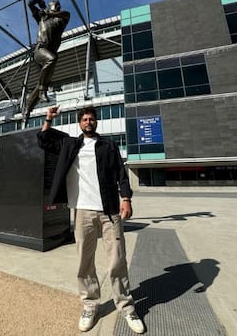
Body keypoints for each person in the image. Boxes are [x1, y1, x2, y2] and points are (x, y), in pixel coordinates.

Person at [37, 106, 145, 334]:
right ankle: (90, 305)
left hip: (109, 211)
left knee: (117, 260)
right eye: (85, 119)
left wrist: (126, 198)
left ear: (96, 123)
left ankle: (126, 307)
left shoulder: (108, 145)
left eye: (92, 119)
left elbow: (121, 173)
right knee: (84, 262)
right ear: (79, 123)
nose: (88, 122)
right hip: (82, 211)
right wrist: (49, 117)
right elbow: (44, 140)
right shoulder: (69, 144)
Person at [28, 0, 70, 103]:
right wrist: (38, 1)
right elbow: (30, 4)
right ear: (49, 6)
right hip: (40, 50)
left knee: (43, 83)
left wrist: (48, 13)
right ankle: (42, 89)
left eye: (59, 5)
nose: (58, 6)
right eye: (55, 5)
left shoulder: (62, 18)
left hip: (50, 52)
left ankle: (27, 110)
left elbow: (65, 14)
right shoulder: (42, 18)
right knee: (52, 59)